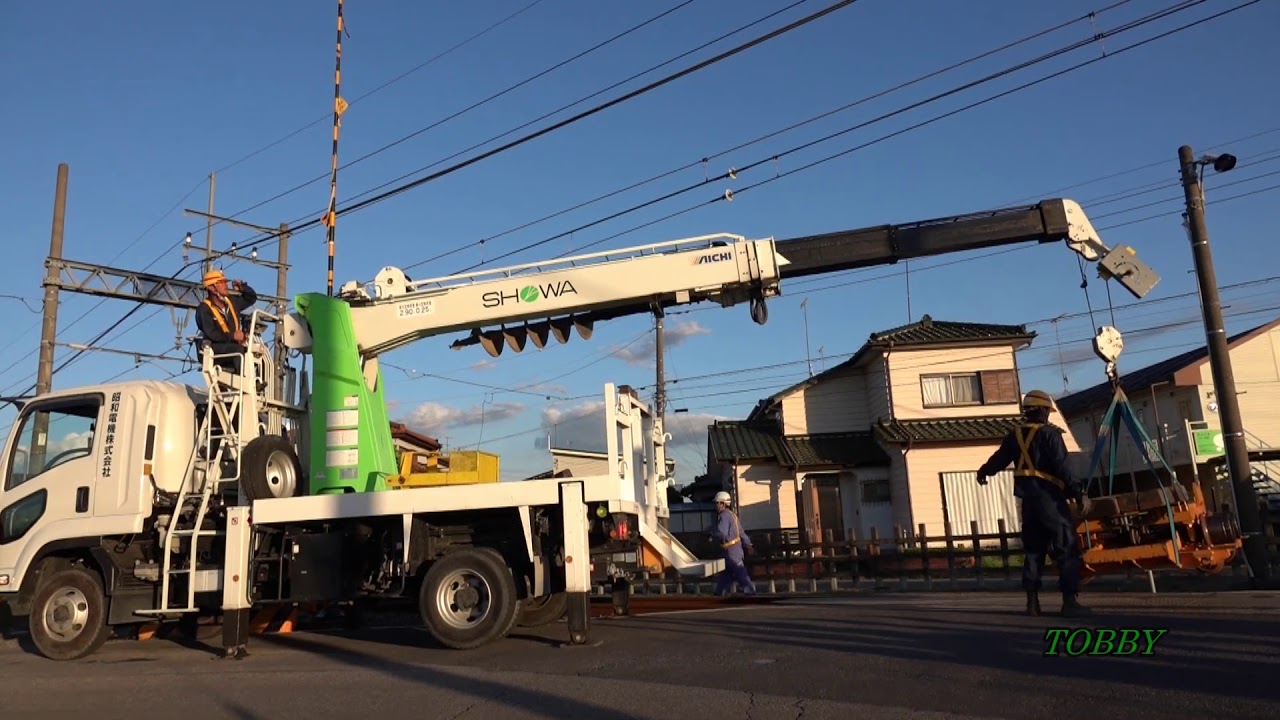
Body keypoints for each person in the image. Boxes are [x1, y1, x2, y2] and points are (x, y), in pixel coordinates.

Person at [976, 389, 1090, 618]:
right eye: (1047, 410)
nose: (1048, 414)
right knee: (1065, 548)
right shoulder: (1051, 435)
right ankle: (1069, 602)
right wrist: (1079, 493)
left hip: (1028, 503)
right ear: (1042, 410)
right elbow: (1064, 468)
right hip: (1051, 500)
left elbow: (999, 459)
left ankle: (1032, 604)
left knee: (1034, 551)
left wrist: (984, 471)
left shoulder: (1014, 435)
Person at [195, 268, 258, 376]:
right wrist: (232, 336)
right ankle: (245, 381)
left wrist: (242, 287)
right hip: (214, 348)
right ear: (211, 287)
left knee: (256, 353)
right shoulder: (204, 309)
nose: (225, 285)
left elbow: (251, 298)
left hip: (230, 346)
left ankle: (258, 383)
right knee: (238, 350)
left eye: (225, 282)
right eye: (221, 282)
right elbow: (212, 334)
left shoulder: (232, 302)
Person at [708, 491, 756, 597]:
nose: (716, 506)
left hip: (731, 550)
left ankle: (750, 592)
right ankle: (719, 592)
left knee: (739, 571)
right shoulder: (732, 515)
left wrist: (711, 535)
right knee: (727, 573)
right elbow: (741, 532)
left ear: (722, 504)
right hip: (736, 548)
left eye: (717, 503)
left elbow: (722, 533)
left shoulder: (723, 516)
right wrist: (748, 544)